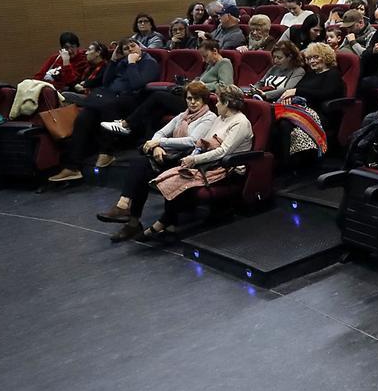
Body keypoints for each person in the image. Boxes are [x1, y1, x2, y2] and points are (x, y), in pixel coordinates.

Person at [94, 80, 217, 241]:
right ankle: (125, 209)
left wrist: (160, 143)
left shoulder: (209, 117)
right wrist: (156, 147)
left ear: (204, 100)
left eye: (196, 99)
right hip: (168, 156)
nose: (192, 102)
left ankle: (134, 218)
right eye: (189, 98)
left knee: (143, 170)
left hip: (187, 161)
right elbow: (160, 133)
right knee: (140, 165)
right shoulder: (182, 115)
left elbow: (192, 141)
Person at [138, 84, 254, 240]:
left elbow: (223, 152)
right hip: (208, 162)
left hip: (227, 167)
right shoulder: (221, 118)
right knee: (175, 173)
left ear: (227, 103)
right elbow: (201, 142)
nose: (216, 104)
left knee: (179, 178)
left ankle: (163, 222)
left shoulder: (240, 122)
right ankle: (169, 223)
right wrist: (192, 157)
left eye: (219, 101)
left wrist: (194, 159)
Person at [48, 40, 161, 182]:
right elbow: (106, 82)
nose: (130, 50)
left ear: (140, 47)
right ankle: (72, 167)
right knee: (84, 116)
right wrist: (113, 61)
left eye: (133, 46)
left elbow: (137, 84)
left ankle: (106, 152)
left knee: (107, 105)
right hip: (111, 96)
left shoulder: (149, 62)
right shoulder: (122, 62)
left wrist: (132, 63)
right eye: (126, 49)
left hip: (134, 99)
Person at [99, 37, 234, 139]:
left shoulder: (224, 63)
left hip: (202, 104)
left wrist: (201, 85)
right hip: (192, 97)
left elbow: (226, 85)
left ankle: (126, 124)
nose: (203, 60)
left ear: (215, 51)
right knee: (157, 108)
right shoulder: (210, 66)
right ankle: (147, 142)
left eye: (205, 56)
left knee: (158, 96)